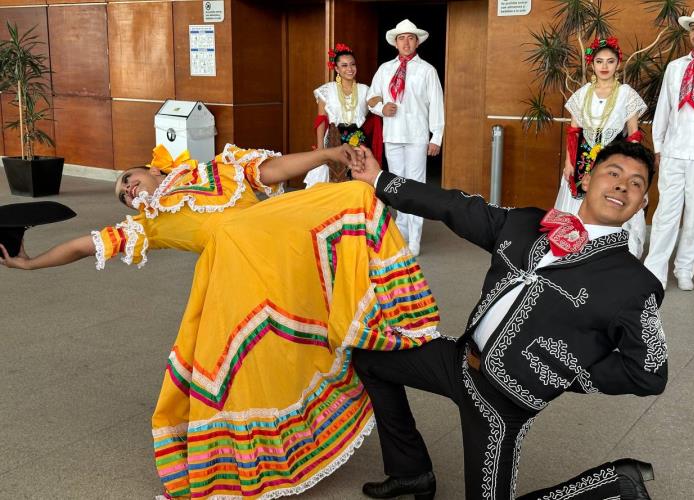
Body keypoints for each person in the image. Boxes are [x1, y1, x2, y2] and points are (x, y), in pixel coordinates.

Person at [0, 143, 441, 499]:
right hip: (241, 288)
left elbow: (273, 170)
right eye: (123, 196)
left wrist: (326, 155)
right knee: (245, 375)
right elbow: (84, 245)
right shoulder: (148, 225)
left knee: (355, 196)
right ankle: (259, 461)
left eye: (130, 181)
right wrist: (32, 264)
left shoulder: (219, 170)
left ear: (152, 170)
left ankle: (407, 394)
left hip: (286, 253)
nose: (129, 193)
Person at [350, 140, 667, 500]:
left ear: (641, 204)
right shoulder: (527, 223)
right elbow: (456, 206)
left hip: (502, 404)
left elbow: (650, 371)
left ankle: (612, 482)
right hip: (459, 361)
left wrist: (564, 370)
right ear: (587, 178)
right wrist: (379, 179)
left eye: (636, 183)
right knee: (369, 358)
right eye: (613, 173)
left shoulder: (634, 285)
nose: (623, 185)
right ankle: (411, 472)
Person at [644, 3, 694, 291]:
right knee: (666, 213)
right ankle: (654, 269)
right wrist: (659, 147)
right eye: (693, 28)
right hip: (674, 151)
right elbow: (663, 108)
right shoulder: (675, 68)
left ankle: (685, 268)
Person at [557, 37, 648, 258]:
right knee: (579, 203)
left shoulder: (627, 94)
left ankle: (612, 253)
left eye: (610, 61)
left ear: (618, 64)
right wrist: (569, 163)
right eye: (599, 61)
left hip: (615, 159)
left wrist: (632, 166)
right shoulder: (582, 94)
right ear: (592, 64)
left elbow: (633, 133)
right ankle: (574, 250)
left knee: (611, 200)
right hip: (582, 160)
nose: (604, 66)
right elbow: (573, 132)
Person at [367, 19, 444, 256]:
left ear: (417, 41)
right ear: (395, 42)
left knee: (416, 186)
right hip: (393, 134)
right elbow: (371, 98)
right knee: (396, 185)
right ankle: (400, 234)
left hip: (417, 135)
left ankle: (415, 239)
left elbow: (437, 105)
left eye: (411, 37)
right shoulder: (385, 69)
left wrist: (436, 137)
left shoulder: (427, 70)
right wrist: (382, 109)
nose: (406, 42)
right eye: (402, 38)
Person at [304, 42, 382, 187]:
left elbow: (376, 104)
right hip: (334, 139)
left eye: (352, 64)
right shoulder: (327, 90)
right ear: (336, 68)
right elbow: (321, 119)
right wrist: (320, 149)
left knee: (356, 180)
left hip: (358, 140)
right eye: (344, 65)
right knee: (332, 180)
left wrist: (382, 99)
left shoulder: (365, 90)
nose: (350, 69)